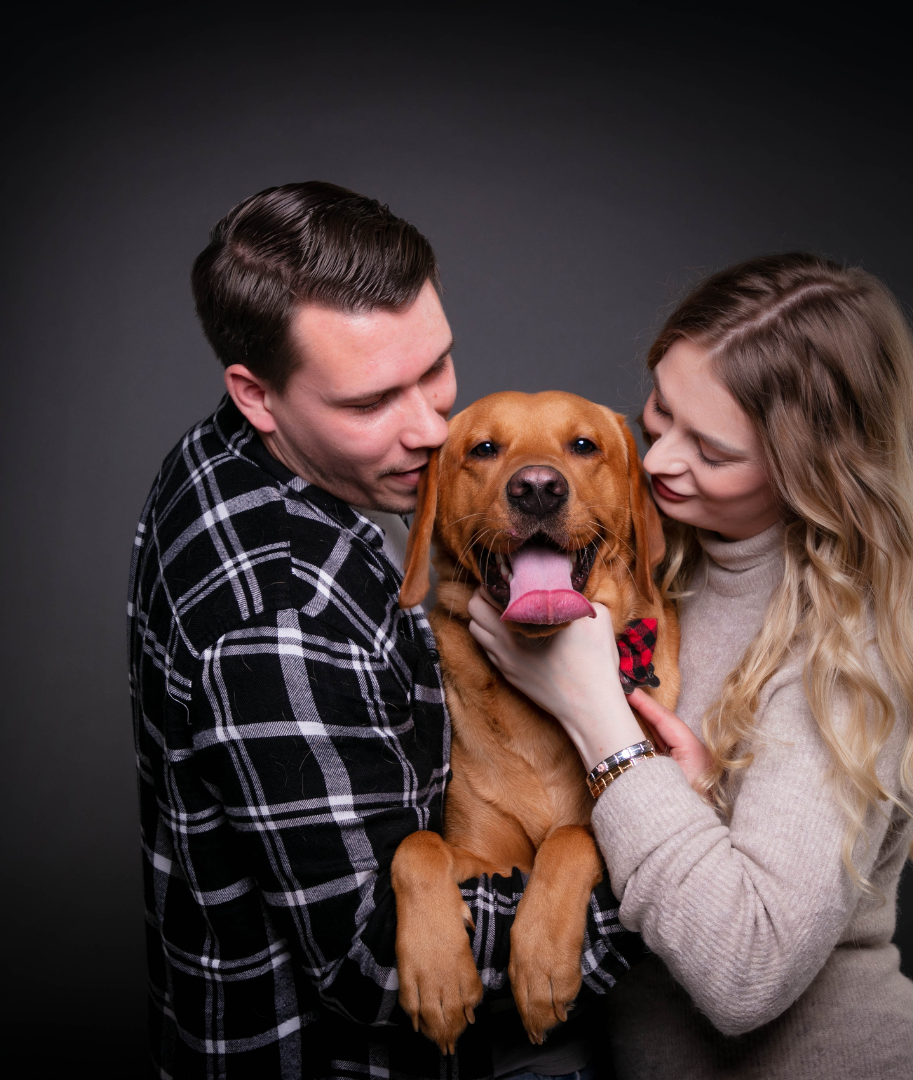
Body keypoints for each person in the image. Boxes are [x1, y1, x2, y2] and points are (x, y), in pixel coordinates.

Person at [467, 253, 913, 1079]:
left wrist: (598, 721)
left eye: (712, 450)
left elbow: (746, 972)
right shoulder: (644, 558)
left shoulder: (850, 648)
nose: (658, 462)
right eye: (658, 413)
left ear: (815, 472)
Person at [127, 181, 637, 1080]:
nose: (431, 428)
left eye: (435, 366)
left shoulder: (235, 457)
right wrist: (683, 882)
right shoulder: (278, 617)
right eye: (370, 404)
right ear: (256, 394)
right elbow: (372, 962)